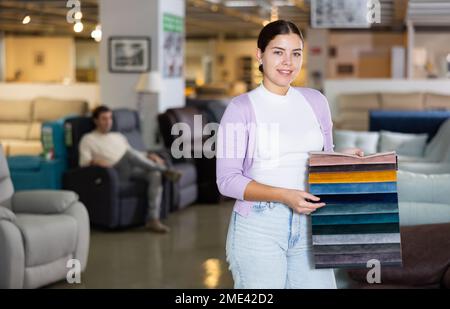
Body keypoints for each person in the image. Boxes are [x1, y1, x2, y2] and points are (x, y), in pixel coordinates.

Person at [216, 20, 364, 289]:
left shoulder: (315, 101)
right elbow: (227, 181)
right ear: (260, 55)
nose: (288, 62)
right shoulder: (240, 108)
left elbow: (322, 156)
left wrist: (342, 158)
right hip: (260, 226)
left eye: (296, 53)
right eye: (278, 52)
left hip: (311, 222)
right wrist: (285, 195)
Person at [79, 105, 182, 233]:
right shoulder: (88, 139)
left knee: (154, 174)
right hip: (113, 174)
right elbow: (83, 163)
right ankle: (165, 170)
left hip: (130, 168)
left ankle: (152, 219)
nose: (108, 122)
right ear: (96, 121)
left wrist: (149, 155)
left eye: (110, 118)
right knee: (129, 154)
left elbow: (135, 154)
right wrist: (96, 161)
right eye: (104, 119)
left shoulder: (118, 136)